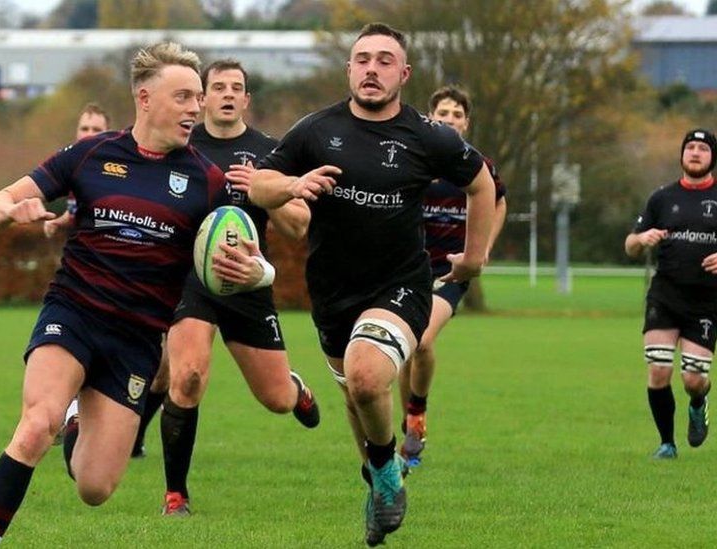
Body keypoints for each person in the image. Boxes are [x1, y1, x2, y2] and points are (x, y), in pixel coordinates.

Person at [0, 42, 271, 548]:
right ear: (145, 98)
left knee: (95, 487)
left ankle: (75, 423)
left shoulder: (206, 180)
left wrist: (256, 272)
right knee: (34, 425)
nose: (196, 108)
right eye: (184, 97)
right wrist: (10, 211)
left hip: (136, 341)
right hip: (74, 314)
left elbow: (256, 260)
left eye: (199, 97)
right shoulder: (90, 155)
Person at [250, 23, 496, 546]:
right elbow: (260, 184)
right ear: (348, 69)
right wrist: (293, 184)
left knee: (366, 377)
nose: (372, 69)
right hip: (333, 292)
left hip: (403, 285)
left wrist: (473, 259)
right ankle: (378, 477)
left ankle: (387, 473)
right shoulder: (315, 130)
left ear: (403, 74)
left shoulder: (428, 135)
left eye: (385, 60)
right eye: (362, 59)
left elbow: (481, 182)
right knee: (356, 396)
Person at [152, 59, 319, 516]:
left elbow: (299, 226)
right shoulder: (180, 147)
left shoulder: (271, 152)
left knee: (278, 401)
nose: (228, 94)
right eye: (218, 87)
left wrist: (266, 192)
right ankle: (175, 495)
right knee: (186, 377)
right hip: (193, 282)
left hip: (249, 283)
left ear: (247, 100)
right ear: (203, 97)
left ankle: (295, 386)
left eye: (237, 88)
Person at [396, 86, 508, 466]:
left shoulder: (478, 165)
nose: (449, 119)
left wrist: (483, 249)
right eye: (442, 113)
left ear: (466, 123)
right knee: (402, 351)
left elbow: (499, 200)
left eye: (456, 114)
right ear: (431, 119)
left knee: (422, 341)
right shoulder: (416, 162)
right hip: (408, 269)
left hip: (451, 271)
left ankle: (417, 411)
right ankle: (408, 427)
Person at [625, 128, 715, 460]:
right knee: (659, 370)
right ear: (682, 155)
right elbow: (630, 245)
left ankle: (698, 401)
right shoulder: (662, 198)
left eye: (702, 149)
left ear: (712, 158)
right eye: (689, 147)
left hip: (706, 302)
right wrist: (642, 238)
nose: (695, 153)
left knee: (693, 379)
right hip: (665, 295)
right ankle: (667, 443)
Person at [42, 103, 111, 239]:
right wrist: (57, 222)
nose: (89, 134)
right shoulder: (71, 163)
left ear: (109, 133)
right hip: (78, 249)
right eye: (84, 129)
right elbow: (75, 211)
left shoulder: (115, 167)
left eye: (96, 129)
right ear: (77, 132)